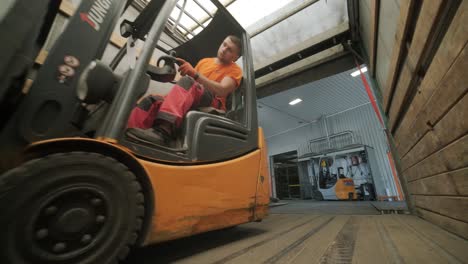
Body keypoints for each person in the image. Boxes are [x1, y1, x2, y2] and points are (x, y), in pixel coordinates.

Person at [126, 35, 243, 146]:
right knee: (153, 100)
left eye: (230, 50)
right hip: (194, 93)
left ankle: (163, 132)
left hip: (213, 102)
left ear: (235, 57)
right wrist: (166, 99)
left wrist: (194, 74)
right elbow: (186, 87)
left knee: (189, 82)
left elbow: (222, 90)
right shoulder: (205, 61)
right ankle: (129, 133)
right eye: (224, 44)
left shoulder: (235, 70)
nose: (224, 49)